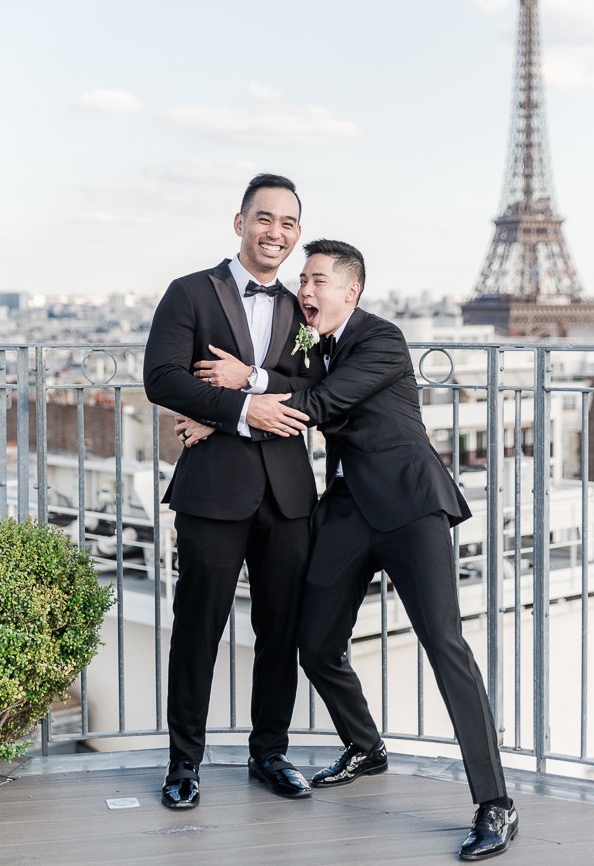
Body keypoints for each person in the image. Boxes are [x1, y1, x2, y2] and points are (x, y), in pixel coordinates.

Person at [239, 239, 519, 861]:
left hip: (408, 506)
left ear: (351, 292)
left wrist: (245, 385)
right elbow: (295, 385)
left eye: (316, 281)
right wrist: (221, 412)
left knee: (445, 646)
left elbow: (319, 402)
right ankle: (365, 746)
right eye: (302, 280)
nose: (303, 291)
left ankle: (495, 802)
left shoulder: (382, 339)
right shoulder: (314, 344)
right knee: (315, 645)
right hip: (343, 512)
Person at [143, 173, 323, 810]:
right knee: (198, 629)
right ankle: (183, 763)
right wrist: (239, 411)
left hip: (288, 497)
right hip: (214, 491)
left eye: (288, 224)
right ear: (240, 221)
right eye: (265, 219)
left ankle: (269, 753)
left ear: (297, 235)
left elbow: (319, 391)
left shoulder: (303, 311)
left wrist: (244, 387)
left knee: (282, 632)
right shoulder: (190, 292)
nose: (276, 233)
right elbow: (160, 378)